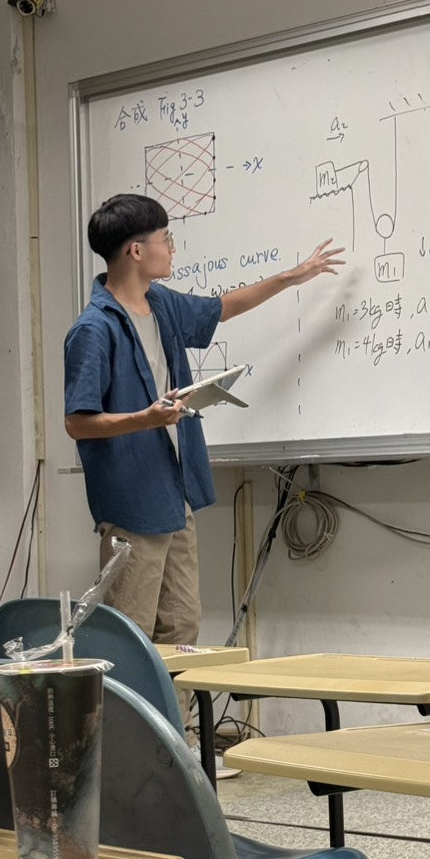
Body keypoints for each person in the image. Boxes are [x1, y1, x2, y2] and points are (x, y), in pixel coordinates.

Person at [64, 192, 344, 666]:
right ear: (137, 251)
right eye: (166, 239)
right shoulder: (95, 328)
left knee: (182, 628)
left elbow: (222, 308)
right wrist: (145, 419)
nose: (172, 248)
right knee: (131, 637)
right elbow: (77, 422)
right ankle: (131, 718)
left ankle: (177, 717)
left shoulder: (161, 304)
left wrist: (292, 277)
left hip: (175, 495)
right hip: (132, 505)